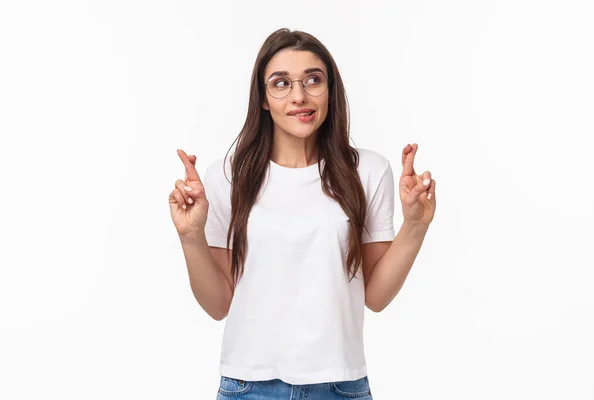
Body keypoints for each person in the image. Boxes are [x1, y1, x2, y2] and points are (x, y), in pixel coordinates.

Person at [168, 28, 436, 400]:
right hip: (248, 386)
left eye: (313, 80)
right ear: (262, 98)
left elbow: (375, 297)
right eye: (281, 83)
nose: (299, 96)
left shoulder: (368, 171)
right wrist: (190, 236)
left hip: (341, 386)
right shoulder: (229, 176)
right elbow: (217, 305)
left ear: (331, 89)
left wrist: (416, 225)